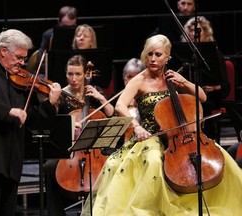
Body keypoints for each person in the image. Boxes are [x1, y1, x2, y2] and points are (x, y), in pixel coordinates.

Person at [80, 34, 242, 216]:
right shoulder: (139, 80)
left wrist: (184, 82)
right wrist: (137, 127)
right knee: (155, 160)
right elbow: (120, 105)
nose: (153, 59)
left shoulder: (173, 78)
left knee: (220, 156)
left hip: (178, 136)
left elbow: (202, 97)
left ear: (168, 57)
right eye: (149, 54)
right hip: (149, 136)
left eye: (158, 54)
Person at [0, 29, 63, 216]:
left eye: (24, 58)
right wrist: (7, 110)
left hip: (11, 166)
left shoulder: (21, 81)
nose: (22, 63)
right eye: (18, 57)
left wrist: (51, 104)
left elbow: (29, 117)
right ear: (3, 52)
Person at [43, 54, 115, 216]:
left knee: (113, 164)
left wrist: (101, 98)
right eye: (70, 74)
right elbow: (52, 123)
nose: (73, 78)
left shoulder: (94, 92)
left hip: (93, 147)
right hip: (69, 147)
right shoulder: (61, 95)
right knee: (49, 167)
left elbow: (111, 114)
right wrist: (58, 109)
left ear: (85, 74)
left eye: (78, 74)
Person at [180, 16, 230, 142]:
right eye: (190, 31)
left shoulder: (215, 55)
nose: (193, 34)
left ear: (206, 32)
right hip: (188, 97)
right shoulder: (183, 55)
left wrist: (213, 88)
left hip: (210, 98)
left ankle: (206, 142)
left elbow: (225, 87)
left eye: (197, 31)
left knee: (202, 105)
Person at [36, 6, 78, 73]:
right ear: (59, 21)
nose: (68, 31)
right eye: (65, 27)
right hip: (53, 70)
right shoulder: (48, 35)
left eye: (72, 27)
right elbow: (40, 61)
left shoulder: (80, 36)